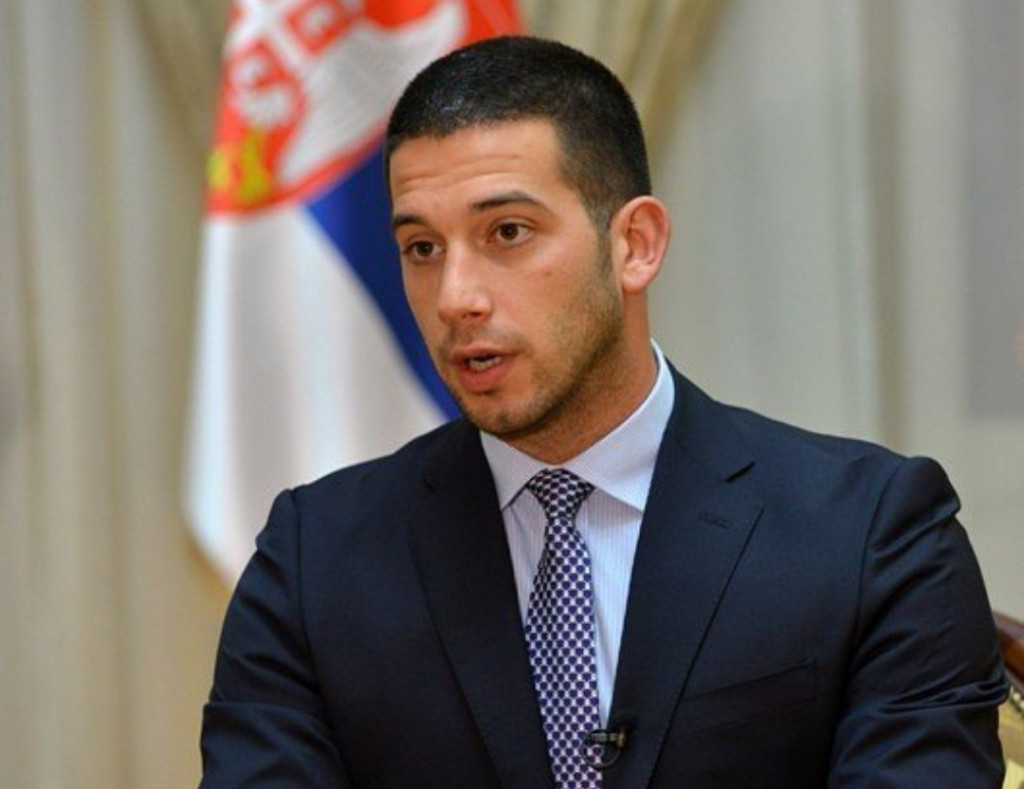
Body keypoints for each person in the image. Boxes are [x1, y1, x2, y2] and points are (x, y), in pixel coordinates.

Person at [198, 36, 1008, 788]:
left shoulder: (870, 532)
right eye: (422, 248)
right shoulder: (315, 561)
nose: (455, 297)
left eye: (507, 231)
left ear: (635, 244)